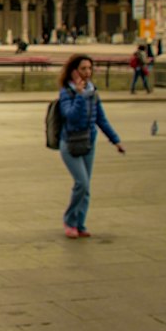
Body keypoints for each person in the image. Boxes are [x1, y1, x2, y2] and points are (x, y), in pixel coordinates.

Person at [57, 53, 125, 237]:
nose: (87, 73)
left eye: (89, 68)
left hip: (88, 142)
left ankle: (80, 223)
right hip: (69, 143)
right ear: (74, 72)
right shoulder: (66, 92)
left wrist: (115, 140)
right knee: (82, 182)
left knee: (86, 187)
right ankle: (69, 220)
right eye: (83, 69)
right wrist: (79, 96)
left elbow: (101, 119)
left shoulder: (93, 92)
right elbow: (69, 116)